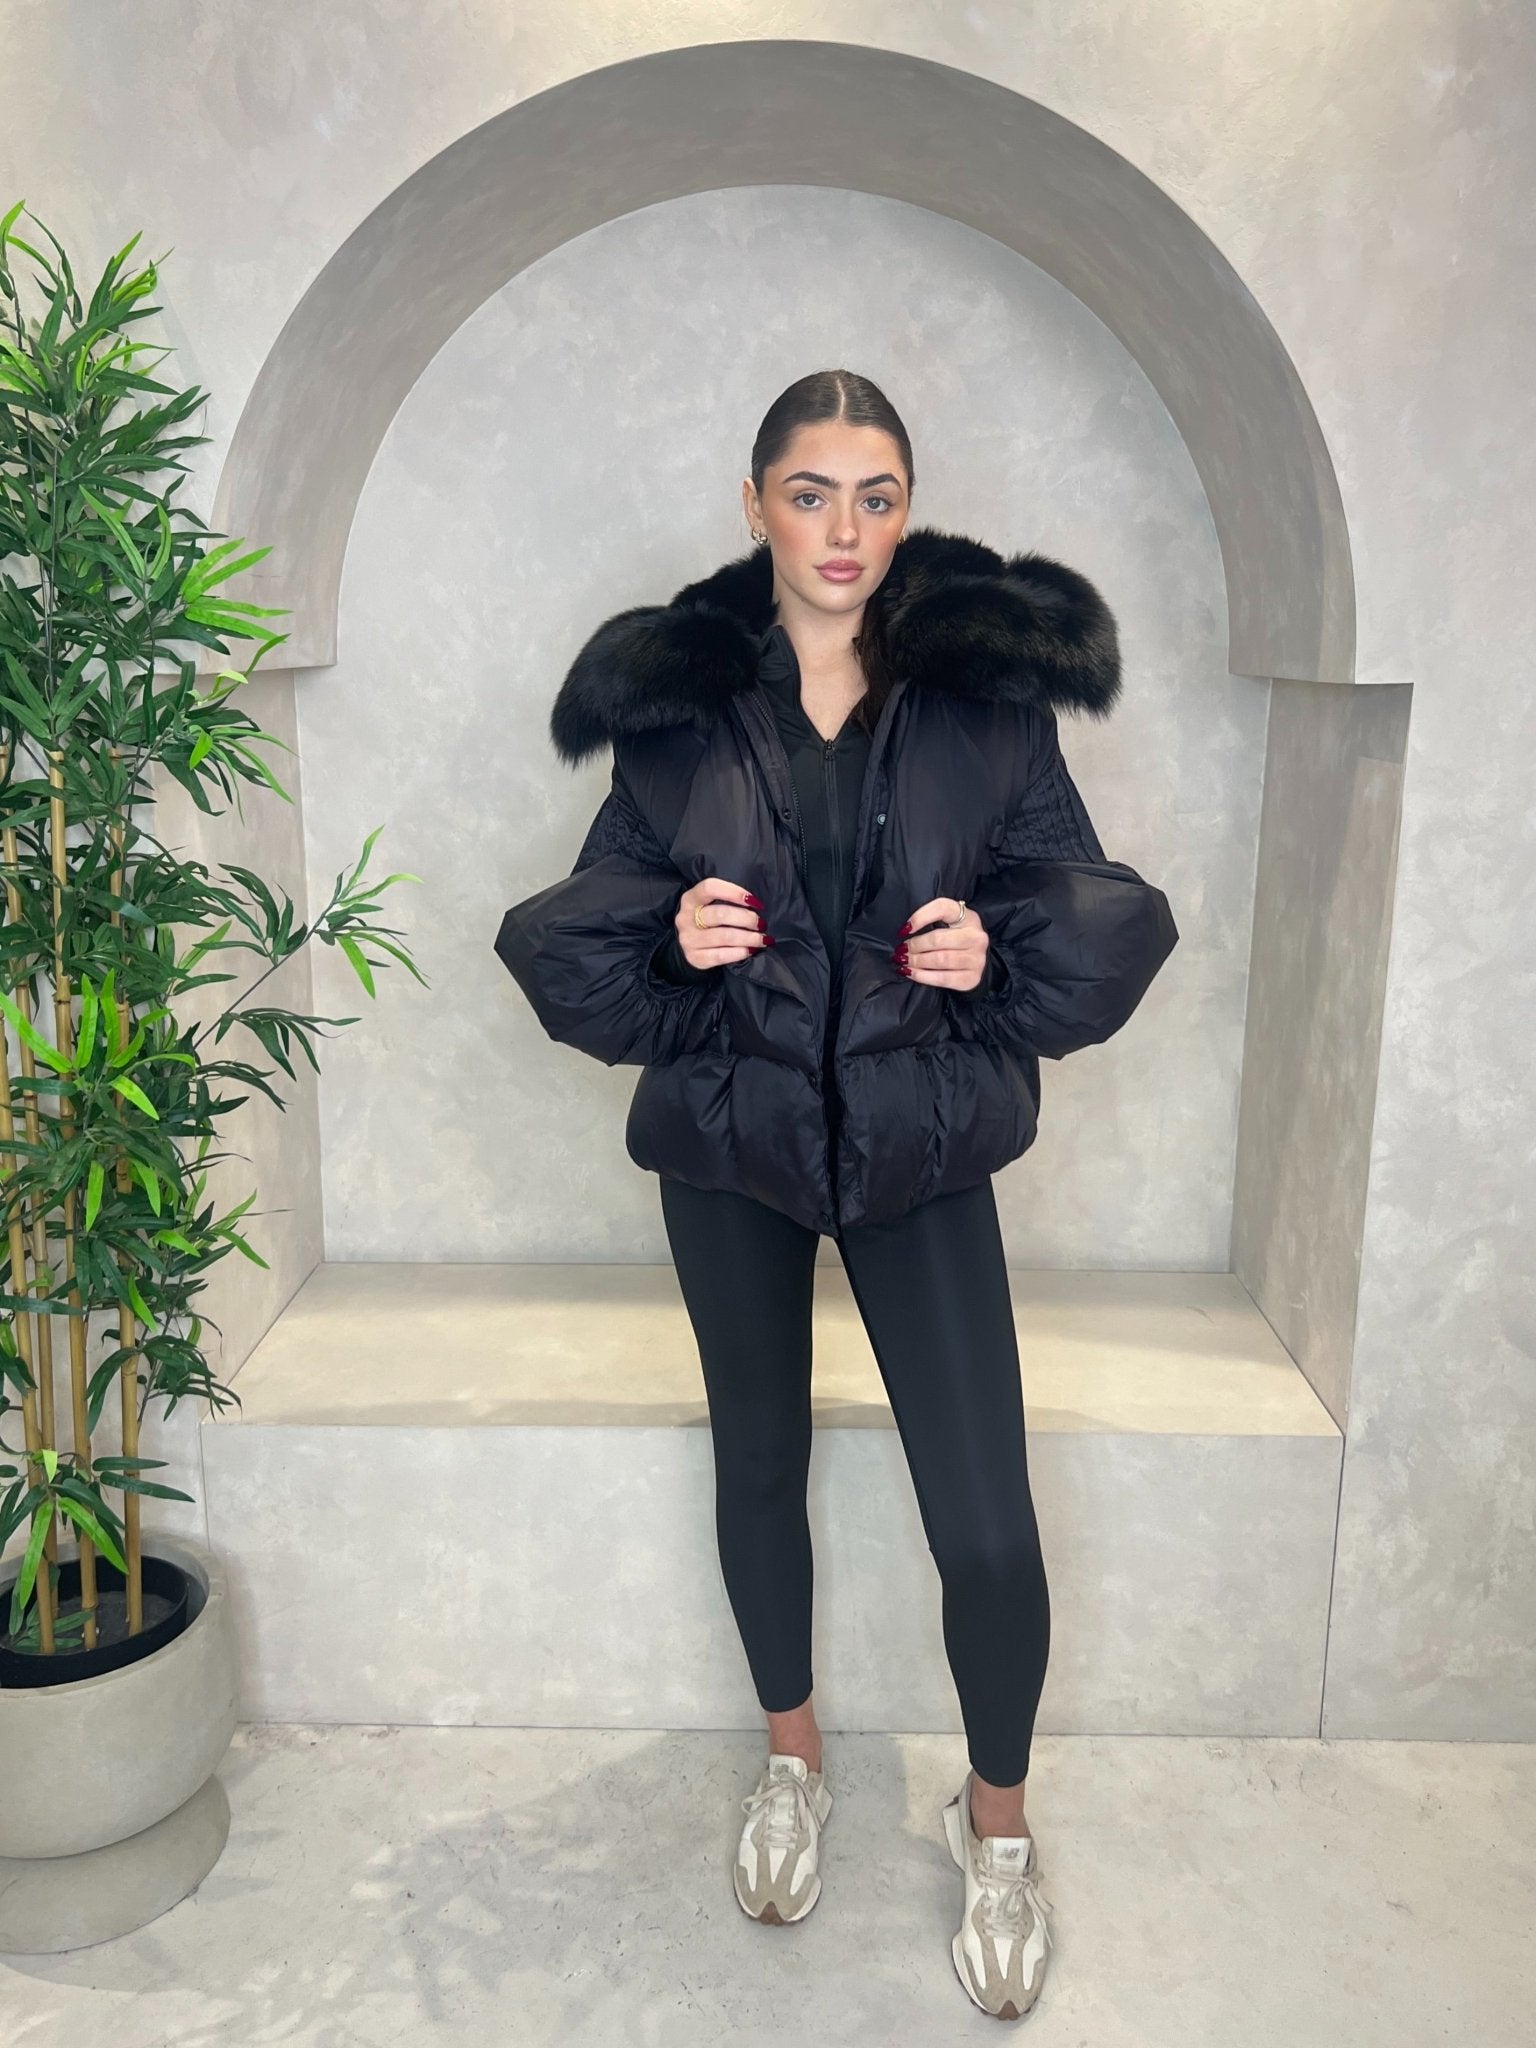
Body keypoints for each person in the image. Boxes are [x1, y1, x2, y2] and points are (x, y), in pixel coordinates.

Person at [495, 368, 1177, 2021]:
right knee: (759, 1464)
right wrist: (675, 939)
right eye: (811, 494)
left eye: (877, 496)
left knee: (986, 1523)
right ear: (756, 506)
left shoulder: (984, 703)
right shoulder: (676, 711)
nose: (845, 530)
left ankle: (995, 1825)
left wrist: (991, 944)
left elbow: (1084, 901)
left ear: (906, 508)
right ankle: (791, 1759)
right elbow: (593, 929)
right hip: (734, 1142)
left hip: (916, 1139)